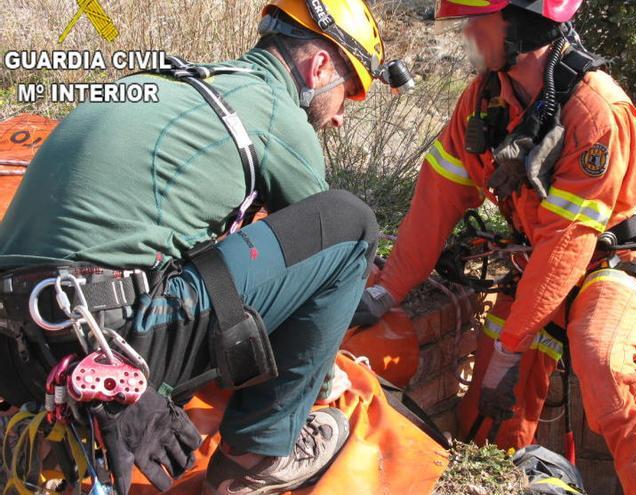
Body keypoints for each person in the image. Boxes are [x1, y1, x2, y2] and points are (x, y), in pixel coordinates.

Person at [0, 1, 409, 493]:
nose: (342, 117)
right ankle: (258, 456)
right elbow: (321, 251)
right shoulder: (275, 114)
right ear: (318, 66)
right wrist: (319, 383)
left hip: (15, 354)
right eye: (348, 93)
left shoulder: (166, 83)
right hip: (110, 349)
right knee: (352, 223)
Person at [352, 1, 636, 493]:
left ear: (525, 21)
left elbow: (567, 245)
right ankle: (506, 480)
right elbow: (436, 199)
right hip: (536, 264)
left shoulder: (596, 113)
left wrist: (512, 352)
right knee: (487, 412)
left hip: (611, 263)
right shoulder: (484, 99)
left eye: (480, 19)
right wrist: (388, 290)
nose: (469, 31)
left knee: (602, 362)